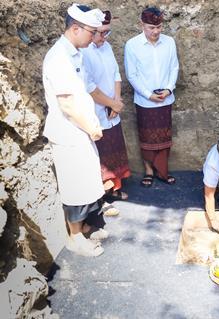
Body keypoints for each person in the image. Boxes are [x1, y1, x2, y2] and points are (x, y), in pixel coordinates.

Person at [42, 4, 107, 256]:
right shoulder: (58, 57)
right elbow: (67, 102)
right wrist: (92, 127)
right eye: (92, 32)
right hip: (69, 132)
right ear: (75, 28)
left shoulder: (75, 53)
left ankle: (85, 227)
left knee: (88, 182)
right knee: (76, 186)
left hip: (80, 130)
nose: (94, 37)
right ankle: (75, 237)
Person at [82, 10, 131, 216]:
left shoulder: (107, 46)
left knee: (115, 148)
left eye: (107, 33)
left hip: (112, 108)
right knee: (100, 155)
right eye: (101, 33)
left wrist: (117, 101)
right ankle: (101, 199)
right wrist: (111, 103)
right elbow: (89, 86)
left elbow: (115, 74)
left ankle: (114, 189)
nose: (104, 38)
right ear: (91, 32)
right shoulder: (84, 52)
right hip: (97, 111)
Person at [124, 7, 179, 187]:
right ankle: (149, 170)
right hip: (144, 100)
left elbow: (174, 67)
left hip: (165, 98)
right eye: (151, 28)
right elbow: (132, 75)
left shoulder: (169, 42)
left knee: (164, 137)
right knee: (147, 138)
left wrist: (169, 89)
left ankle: (163, 170)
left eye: (159, 27)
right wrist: (148, 94)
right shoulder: (132, 45)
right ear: (142, 25)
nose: (155, 32)